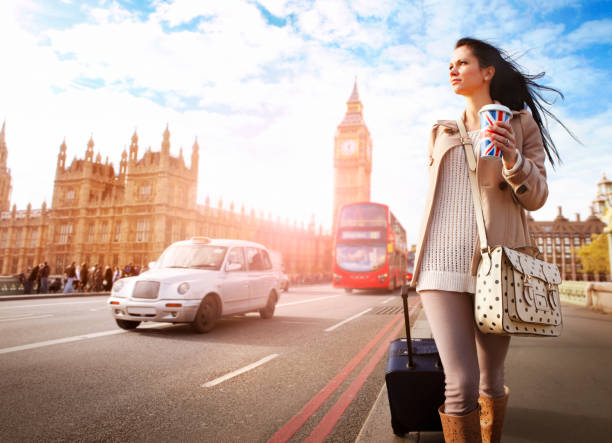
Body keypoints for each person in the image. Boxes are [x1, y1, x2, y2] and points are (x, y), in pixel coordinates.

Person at [410, 37, 574, 442]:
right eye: (450, 64)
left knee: (489, 379)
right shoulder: (439, 132)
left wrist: (512, 159)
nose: (452, 69)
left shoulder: (520, 124)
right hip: (440, 264)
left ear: (487, 72)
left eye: (462, 62)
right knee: (459, 382)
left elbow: (536, 198)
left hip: (495, 266)